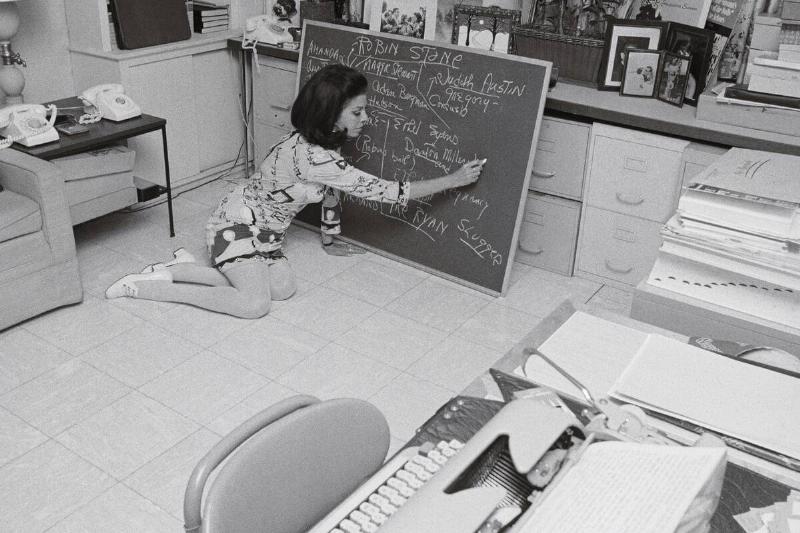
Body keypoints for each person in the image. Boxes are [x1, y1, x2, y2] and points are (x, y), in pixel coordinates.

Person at [105, 64, 486, 318]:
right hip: (234, 227)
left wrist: (331, 235)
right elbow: (384, 191)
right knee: (254, 304)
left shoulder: (321, 147)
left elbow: (332, 191)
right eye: (357, 112)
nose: (365, 119)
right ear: (330, 113)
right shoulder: (314, 158)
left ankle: (177, 269)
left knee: (283, 289)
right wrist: (451, 180)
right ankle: (147, 287)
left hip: (267, 237)